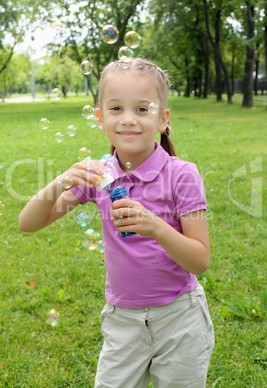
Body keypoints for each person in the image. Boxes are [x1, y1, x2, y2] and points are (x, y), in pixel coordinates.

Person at [19, 58, 214, 387]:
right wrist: (60, 182)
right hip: (123, 320)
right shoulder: (99, 173)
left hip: (180, 319)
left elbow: (200, 259)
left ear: (163, 120)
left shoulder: (183, 175)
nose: (128, 120)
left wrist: (154, 226)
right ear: (100, 118)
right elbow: (28, 222)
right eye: (115, 108)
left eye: (142, 109)